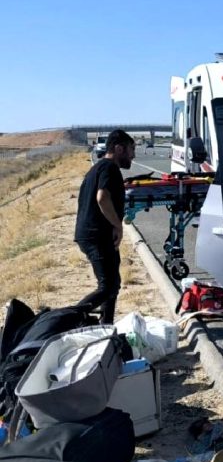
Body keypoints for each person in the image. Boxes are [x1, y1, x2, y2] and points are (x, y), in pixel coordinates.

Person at [74, 129, 135, 325]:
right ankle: (68, 318)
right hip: (96, 235)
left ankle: (106, 325)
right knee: (107, 286)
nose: (133, 155)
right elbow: (102, 197)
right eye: (130, 150)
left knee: (112, 284)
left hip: (95, 234)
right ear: (118, 149)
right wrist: (118, 225)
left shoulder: (97, 168)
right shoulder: (110, 168)